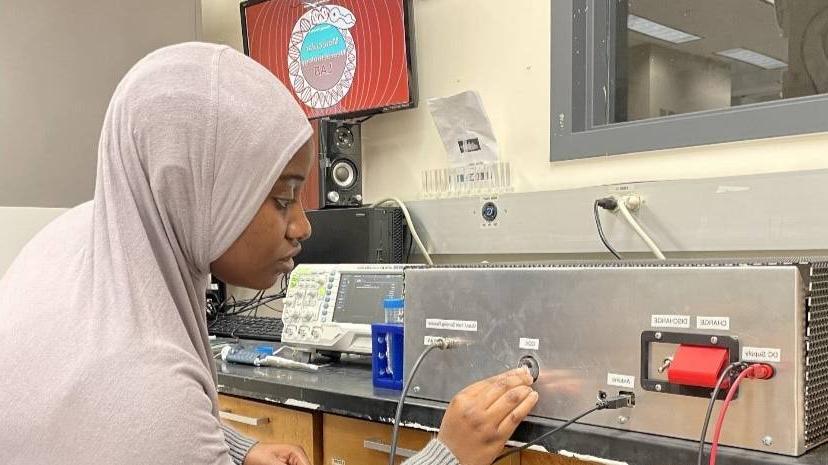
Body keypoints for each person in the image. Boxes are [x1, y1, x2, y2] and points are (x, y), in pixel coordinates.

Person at [0, 43, 537, 465]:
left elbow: (117, 428)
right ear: (194, 188)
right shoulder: (147, 391)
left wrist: (231, 449)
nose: (302, 226)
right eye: (283, 199)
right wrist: (450, 455)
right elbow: (150, 425)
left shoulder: (65, 240)